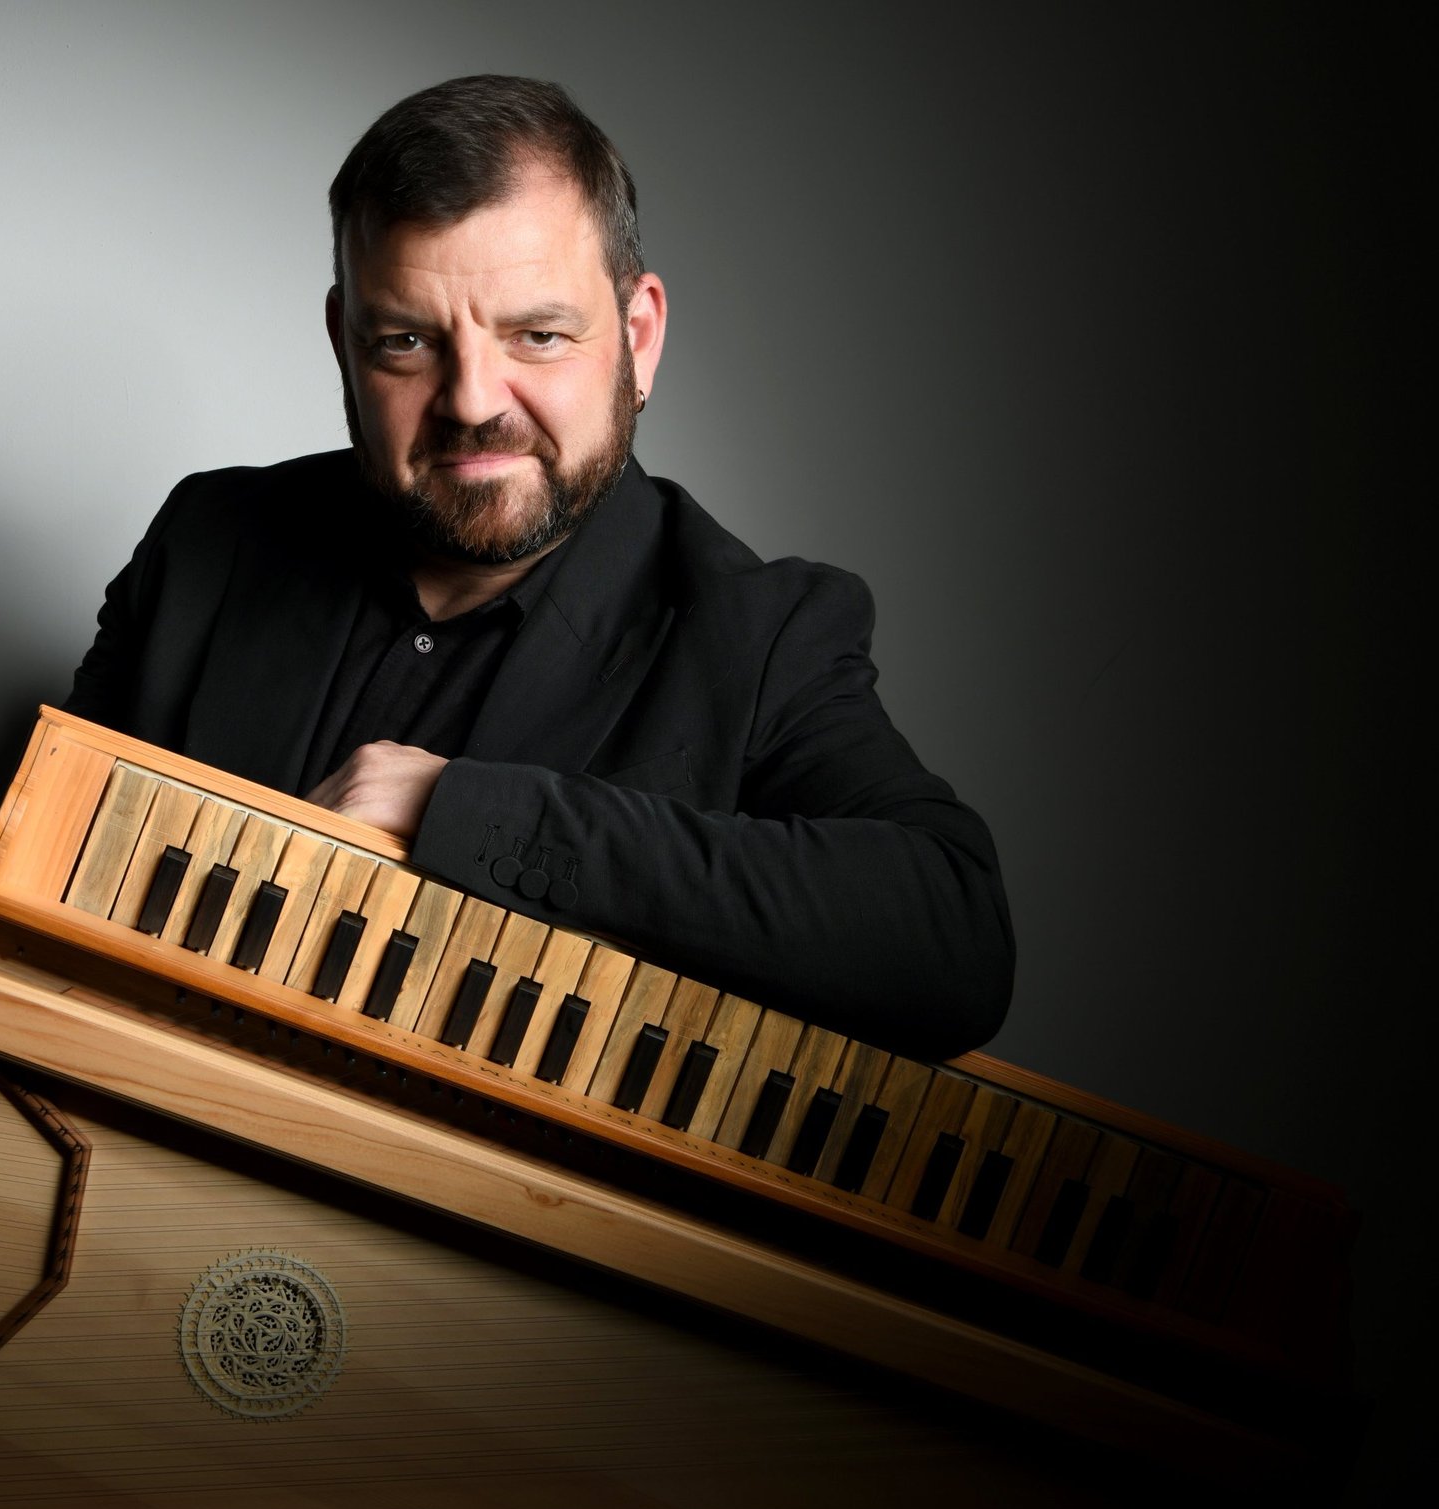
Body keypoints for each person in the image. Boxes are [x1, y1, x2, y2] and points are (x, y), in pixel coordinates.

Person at [64, 74, 1013, 1064]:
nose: (473, 401)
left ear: (637, 339)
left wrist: (462, 811)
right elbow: (47, 878)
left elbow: (954, 940)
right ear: (344, 341)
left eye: (539, 336)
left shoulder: (762, 635)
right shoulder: (207, 543)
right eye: (407, 343)